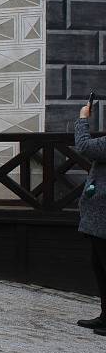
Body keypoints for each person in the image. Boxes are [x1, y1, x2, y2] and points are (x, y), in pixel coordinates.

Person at [74, 103, 106, 336]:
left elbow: (84, 146)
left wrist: (83, 118)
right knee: (99, 266)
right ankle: (105, 316)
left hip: (103, 217)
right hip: (99, 218)